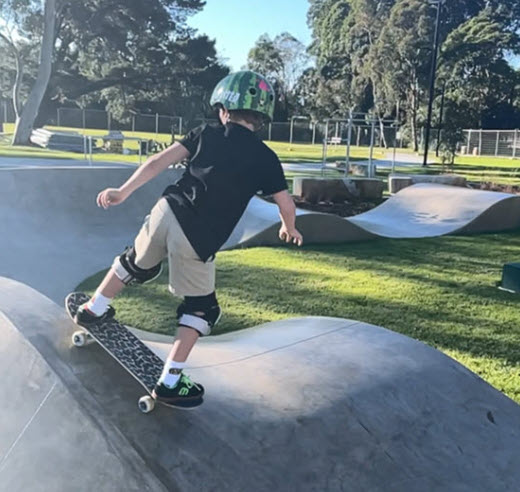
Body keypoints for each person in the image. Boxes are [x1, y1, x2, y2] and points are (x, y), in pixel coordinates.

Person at [74, 71, 303, 408]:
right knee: (202, 308)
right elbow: (286, 203)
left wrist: (122, 191)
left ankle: (93, 309)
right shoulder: (266, 158)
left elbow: (156, 162)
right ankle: (170, 381)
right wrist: (289, 228)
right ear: (261, 118)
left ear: (224, 110)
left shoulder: (206, 132)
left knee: (134, 262)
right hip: (199, 234)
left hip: (166, 210)